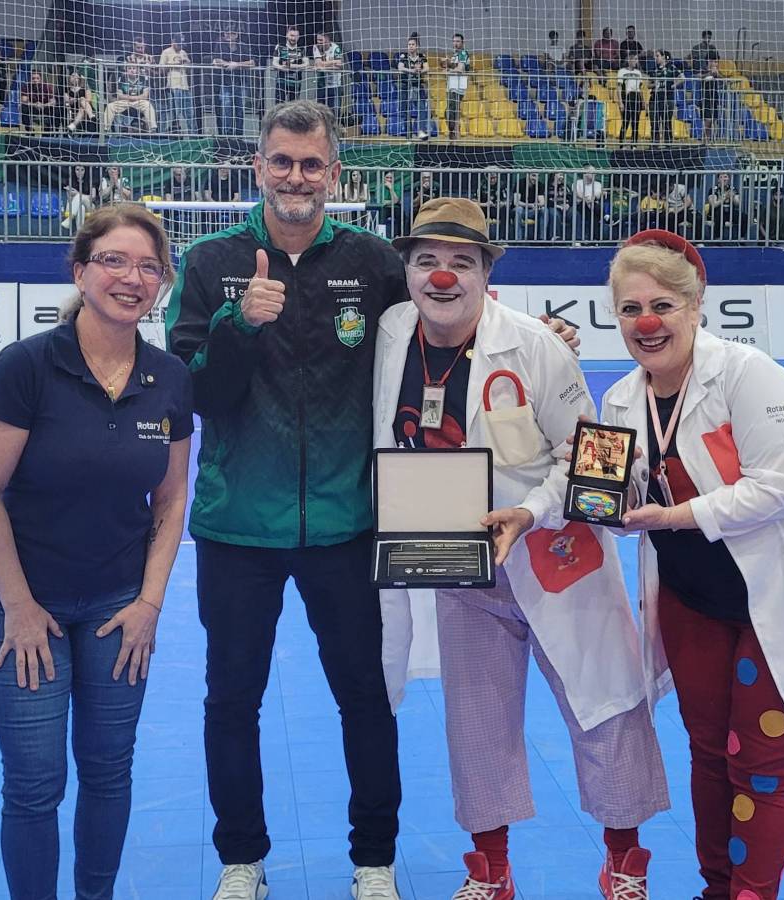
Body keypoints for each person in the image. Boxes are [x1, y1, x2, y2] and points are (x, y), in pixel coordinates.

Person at [167, 101, 577, 900]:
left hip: (349, 524)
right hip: (237, 527)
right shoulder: (212, 259)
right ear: (258, 167)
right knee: (231, 699)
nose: (296, 177)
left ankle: (374, 861)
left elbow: (448, 309)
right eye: (282, 162)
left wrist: (534, 339)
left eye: (311, 164)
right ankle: (241, 860)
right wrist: (236, 322)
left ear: (335, 175)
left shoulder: (370, 259)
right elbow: (197, 396)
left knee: (366, 695)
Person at [372, 199, 669, 899]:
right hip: (454, 562)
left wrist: (532, 511)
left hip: (558, 560)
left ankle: (624, 864)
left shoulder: (536, 347)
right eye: (426, 262)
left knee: (606, 707)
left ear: (485, 275)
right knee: (476, 720)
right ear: (407, 272)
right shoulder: (389, 333)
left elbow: (600, 463)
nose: (442, 277)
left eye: (461, 263)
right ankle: (491, 871)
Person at [594, 230, 784, 900]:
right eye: (629, 308)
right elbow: (620, 504)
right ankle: (716, 889)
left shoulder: (752, 375)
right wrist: (590, 495)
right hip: (692, 601)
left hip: (781, 594)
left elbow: (777, 487)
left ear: (697, 307)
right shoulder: (619, 401)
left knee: (758, 765)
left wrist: (668, 518)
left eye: (663, 305)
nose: (646, 322)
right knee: (707, 755)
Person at [0, 203, 192, 900]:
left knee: (109, 769)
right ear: (80, 272)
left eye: (149, 266)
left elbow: (171, 501)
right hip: (24, 606)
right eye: (115, 262)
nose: (133, 278)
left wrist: (150, 602)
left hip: (119, 607)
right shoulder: (27, 366)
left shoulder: (170, 378)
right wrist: (20, 608)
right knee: (35, 783)